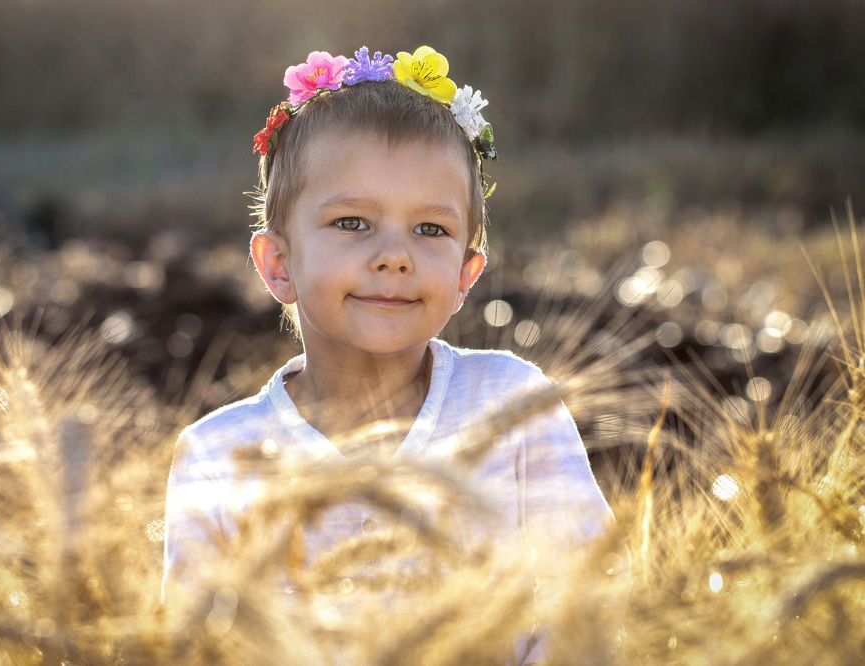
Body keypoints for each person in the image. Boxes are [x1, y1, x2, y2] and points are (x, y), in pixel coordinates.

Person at [162, 45, 615, 662]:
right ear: (279, 264)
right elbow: (194, 647)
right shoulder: (219, 457)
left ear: (465, 273)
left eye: (431, 229)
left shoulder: (512, 407)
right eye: (352, 222)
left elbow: (589, 605)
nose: (395, 255)